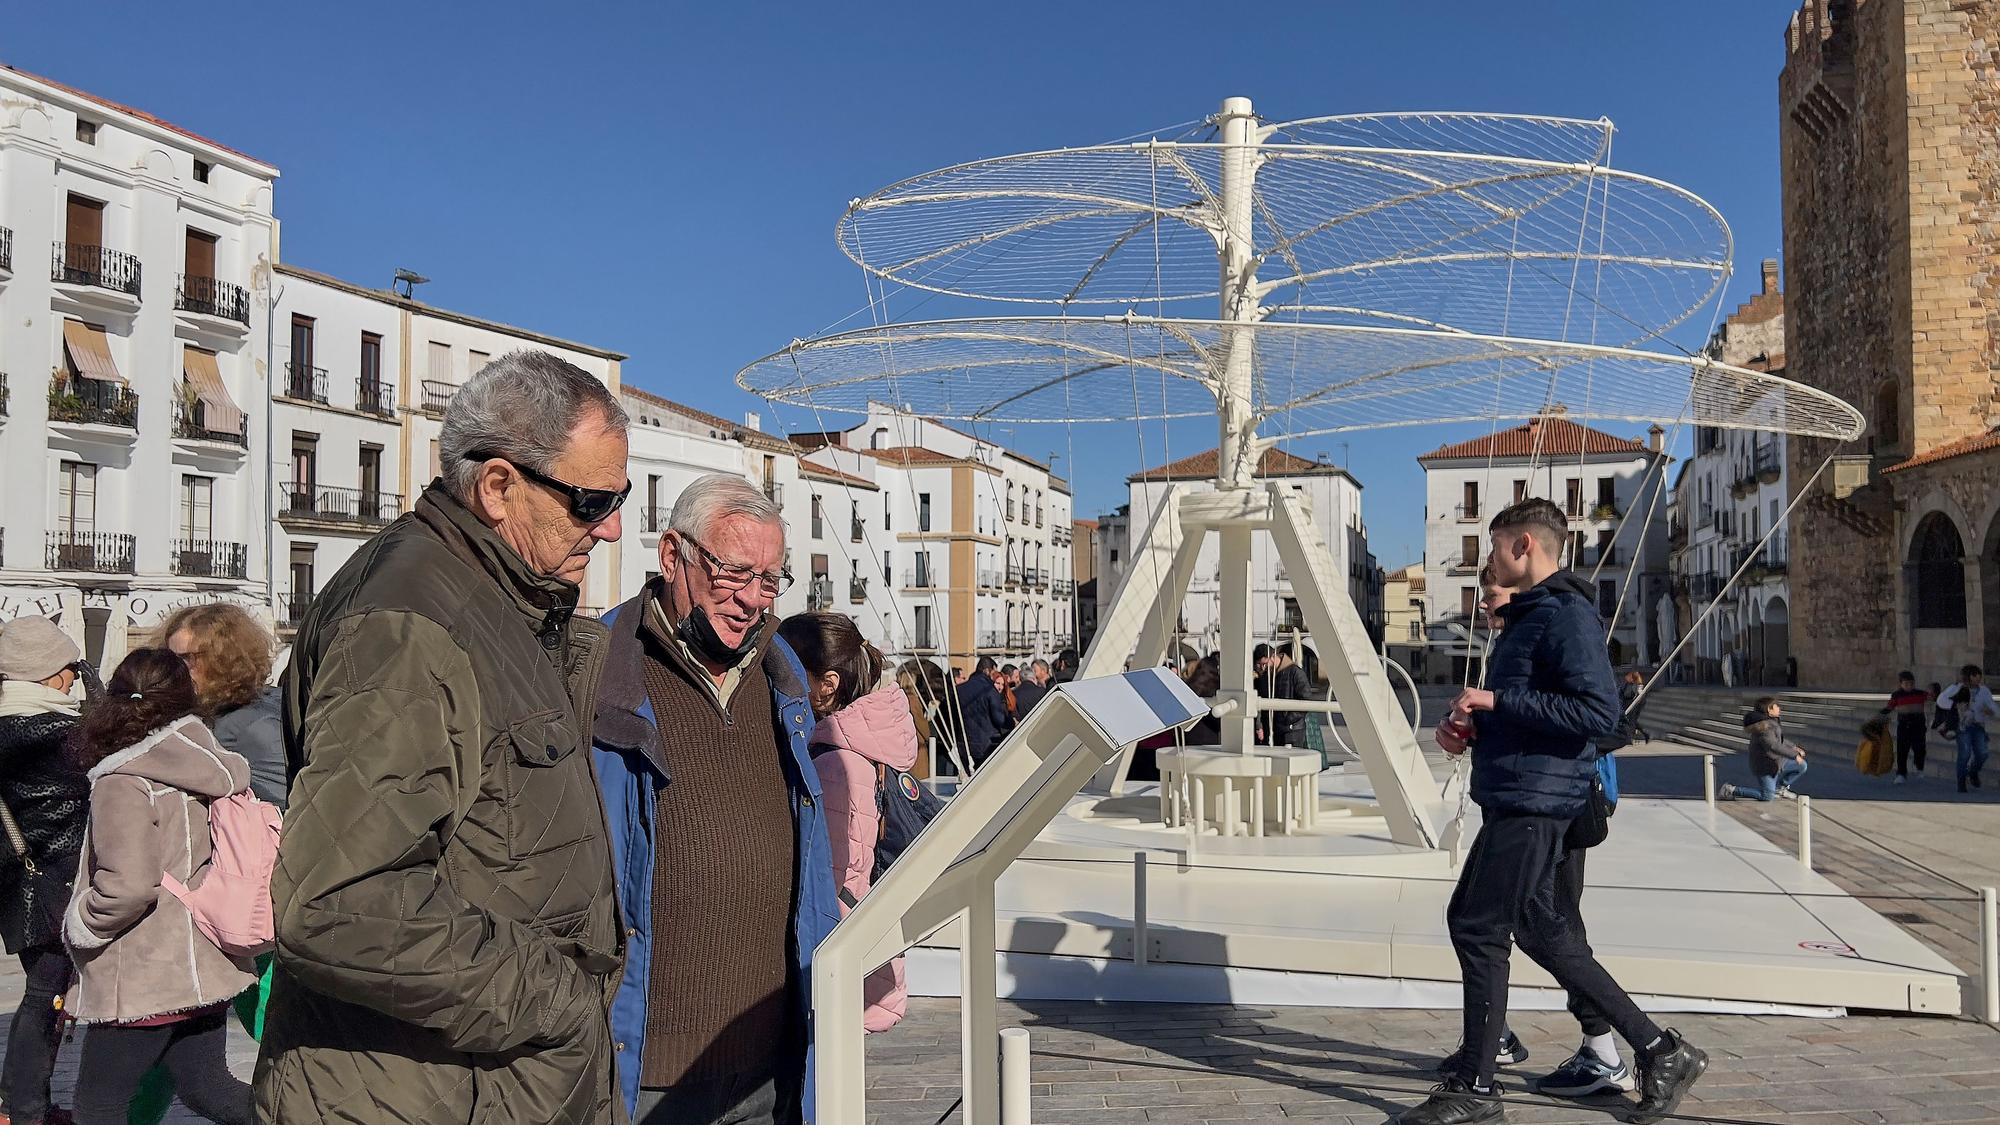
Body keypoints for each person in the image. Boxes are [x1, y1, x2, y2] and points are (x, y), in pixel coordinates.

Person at [255, 352, 629, 1124]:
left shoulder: (494, 601)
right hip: (414, 1094)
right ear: (498, 486)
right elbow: (338, 901)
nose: (613, 526)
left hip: (480, 1084)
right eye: (591, 500)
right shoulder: (408, 626)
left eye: (617, 498)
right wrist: (561, 1002)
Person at [1415, 499, 1704, 1125]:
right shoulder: (1530, 618)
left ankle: (1477, 1085)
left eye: (1493, 549)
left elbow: (1601, 717)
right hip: (1522, 791)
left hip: (1536, 801)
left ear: (1523, 546)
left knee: (1476, 925)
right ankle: (1659, 1048)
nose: (1487, 562)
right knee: (1542, 932)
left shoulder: (1565, 615)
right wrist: (1473, 725)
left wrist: (1497, 702)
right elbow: (1531, 708)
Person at [590, 472, 839, 1125]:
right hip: (645, 1076)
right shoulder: (595, 671)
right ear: (673, 555)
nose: (752, 598)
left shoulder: (783, 681)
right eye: (733, 572)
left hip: (772, 1069)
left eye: (769, 578)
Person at [64, 649, 255, 1125]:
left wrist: (82, 923)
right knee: (207, 1088)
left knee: (97, 1107)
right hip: (205, 961)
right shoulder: (213, 769)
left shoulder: (123, 781)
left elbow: (129, 886)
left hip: (144, 972)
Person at [778, 611, 914, 1034]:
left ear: (826, 686)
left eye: (784, 669)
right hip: (866, 961)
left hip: (841, 972)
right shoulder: (865, 749)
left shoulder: (839, 764)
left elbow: (837, 878)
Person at [0, 617, 92, 1125]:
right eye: (70, 668)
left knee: (44, 994)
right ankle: (26, 1108)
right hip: (53, 881)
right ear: (46, 674)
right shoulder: (56, 734)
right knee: (46, 996)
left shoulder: (11, 724)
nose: (75, 679)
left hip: (21, 880)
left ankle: (22, 1103)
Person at [158, 604, 286, 809]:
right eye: (169, 660)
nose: (175, 671)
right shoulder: (260, 705)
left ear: (224, 658)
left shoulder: (250, 727)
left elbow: (286, 803)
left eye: (186, 659)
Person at [1719, 697, 1806, 802]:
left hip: (1776, 762)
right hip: (1766, 766)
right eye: (1776, 706)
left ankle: (1781, 789)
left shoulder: (1771, 722)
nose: (1779, 708)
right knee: (1767, 796)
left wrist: (1793, 747)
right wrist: (1794, 755)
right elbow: (1773, 745)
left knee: (1801, 766)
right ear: (1769, 709)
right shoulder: (1765, 727)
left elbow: (1779, 740)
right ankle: (1731, 790)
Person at [1938, 665, 1997, 794]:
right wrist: (1955, 687)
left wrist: (1990, 711)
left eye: (1979, 675)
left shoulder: (1984, 690)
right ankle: (1961, 782)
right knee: (1964, 754)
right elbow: (1941, 701)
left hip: (1978, 726)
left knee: (1982, 753)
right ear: (1969, 677)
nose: (1978, 678)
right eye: (1975, 675)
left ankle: (1972, 772)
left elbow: (1993, 708)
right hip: (1963, 726)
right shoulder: (1958, 689)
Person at [957, 656, 1012, 767]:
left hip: (963, 743)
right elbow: (999, 718)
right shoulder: (989, 690)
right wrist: (1011, 722)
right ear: (987, 671)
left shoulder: (959, 689)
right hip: (987, 744)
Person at [1254, 643, 1311, 747]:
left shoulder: (1295, 672)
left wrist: (1287, 719)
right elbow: (1260, 699)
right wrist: (1261, 725)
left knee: (1292, 760)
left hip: (1292, 730)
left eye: (1265, 664)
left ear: (1273, 656)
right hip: (1273, 729)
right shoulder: (1265, 676)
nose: (1263, 668)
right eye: (1260, 665)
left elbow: (1305, 699)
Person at [1883, 672, 1931, 784]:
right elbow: (1890, 707)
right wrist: (1880, 715)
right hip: (1904, 724)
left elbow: (1931, 697)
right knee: (1902, 750)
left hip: (1918, 724)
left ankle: (1919, 767)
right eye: (1906, 684)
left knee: (1919, 748)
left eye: (1911, 684)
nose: (1909, 686)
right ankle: (1901, 774)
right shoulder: (1897, 695)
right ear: (1901, 684)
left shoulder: (1920, 693)